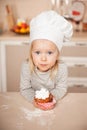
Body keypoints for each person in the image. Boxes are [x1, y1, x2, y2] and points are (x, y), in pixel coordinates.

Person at [20, 10, 73, 110]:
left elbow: (61, 89)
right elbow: (25, 89)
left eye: (49, 53)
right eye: (37, 52)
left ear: (57, 54)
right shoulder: (26, 66)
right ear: (31, 52)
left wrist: (49, 100)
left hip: (53, 106)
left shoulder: (61, 68)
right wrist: (35, 100)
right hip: (33, 106)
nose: (43, 58)